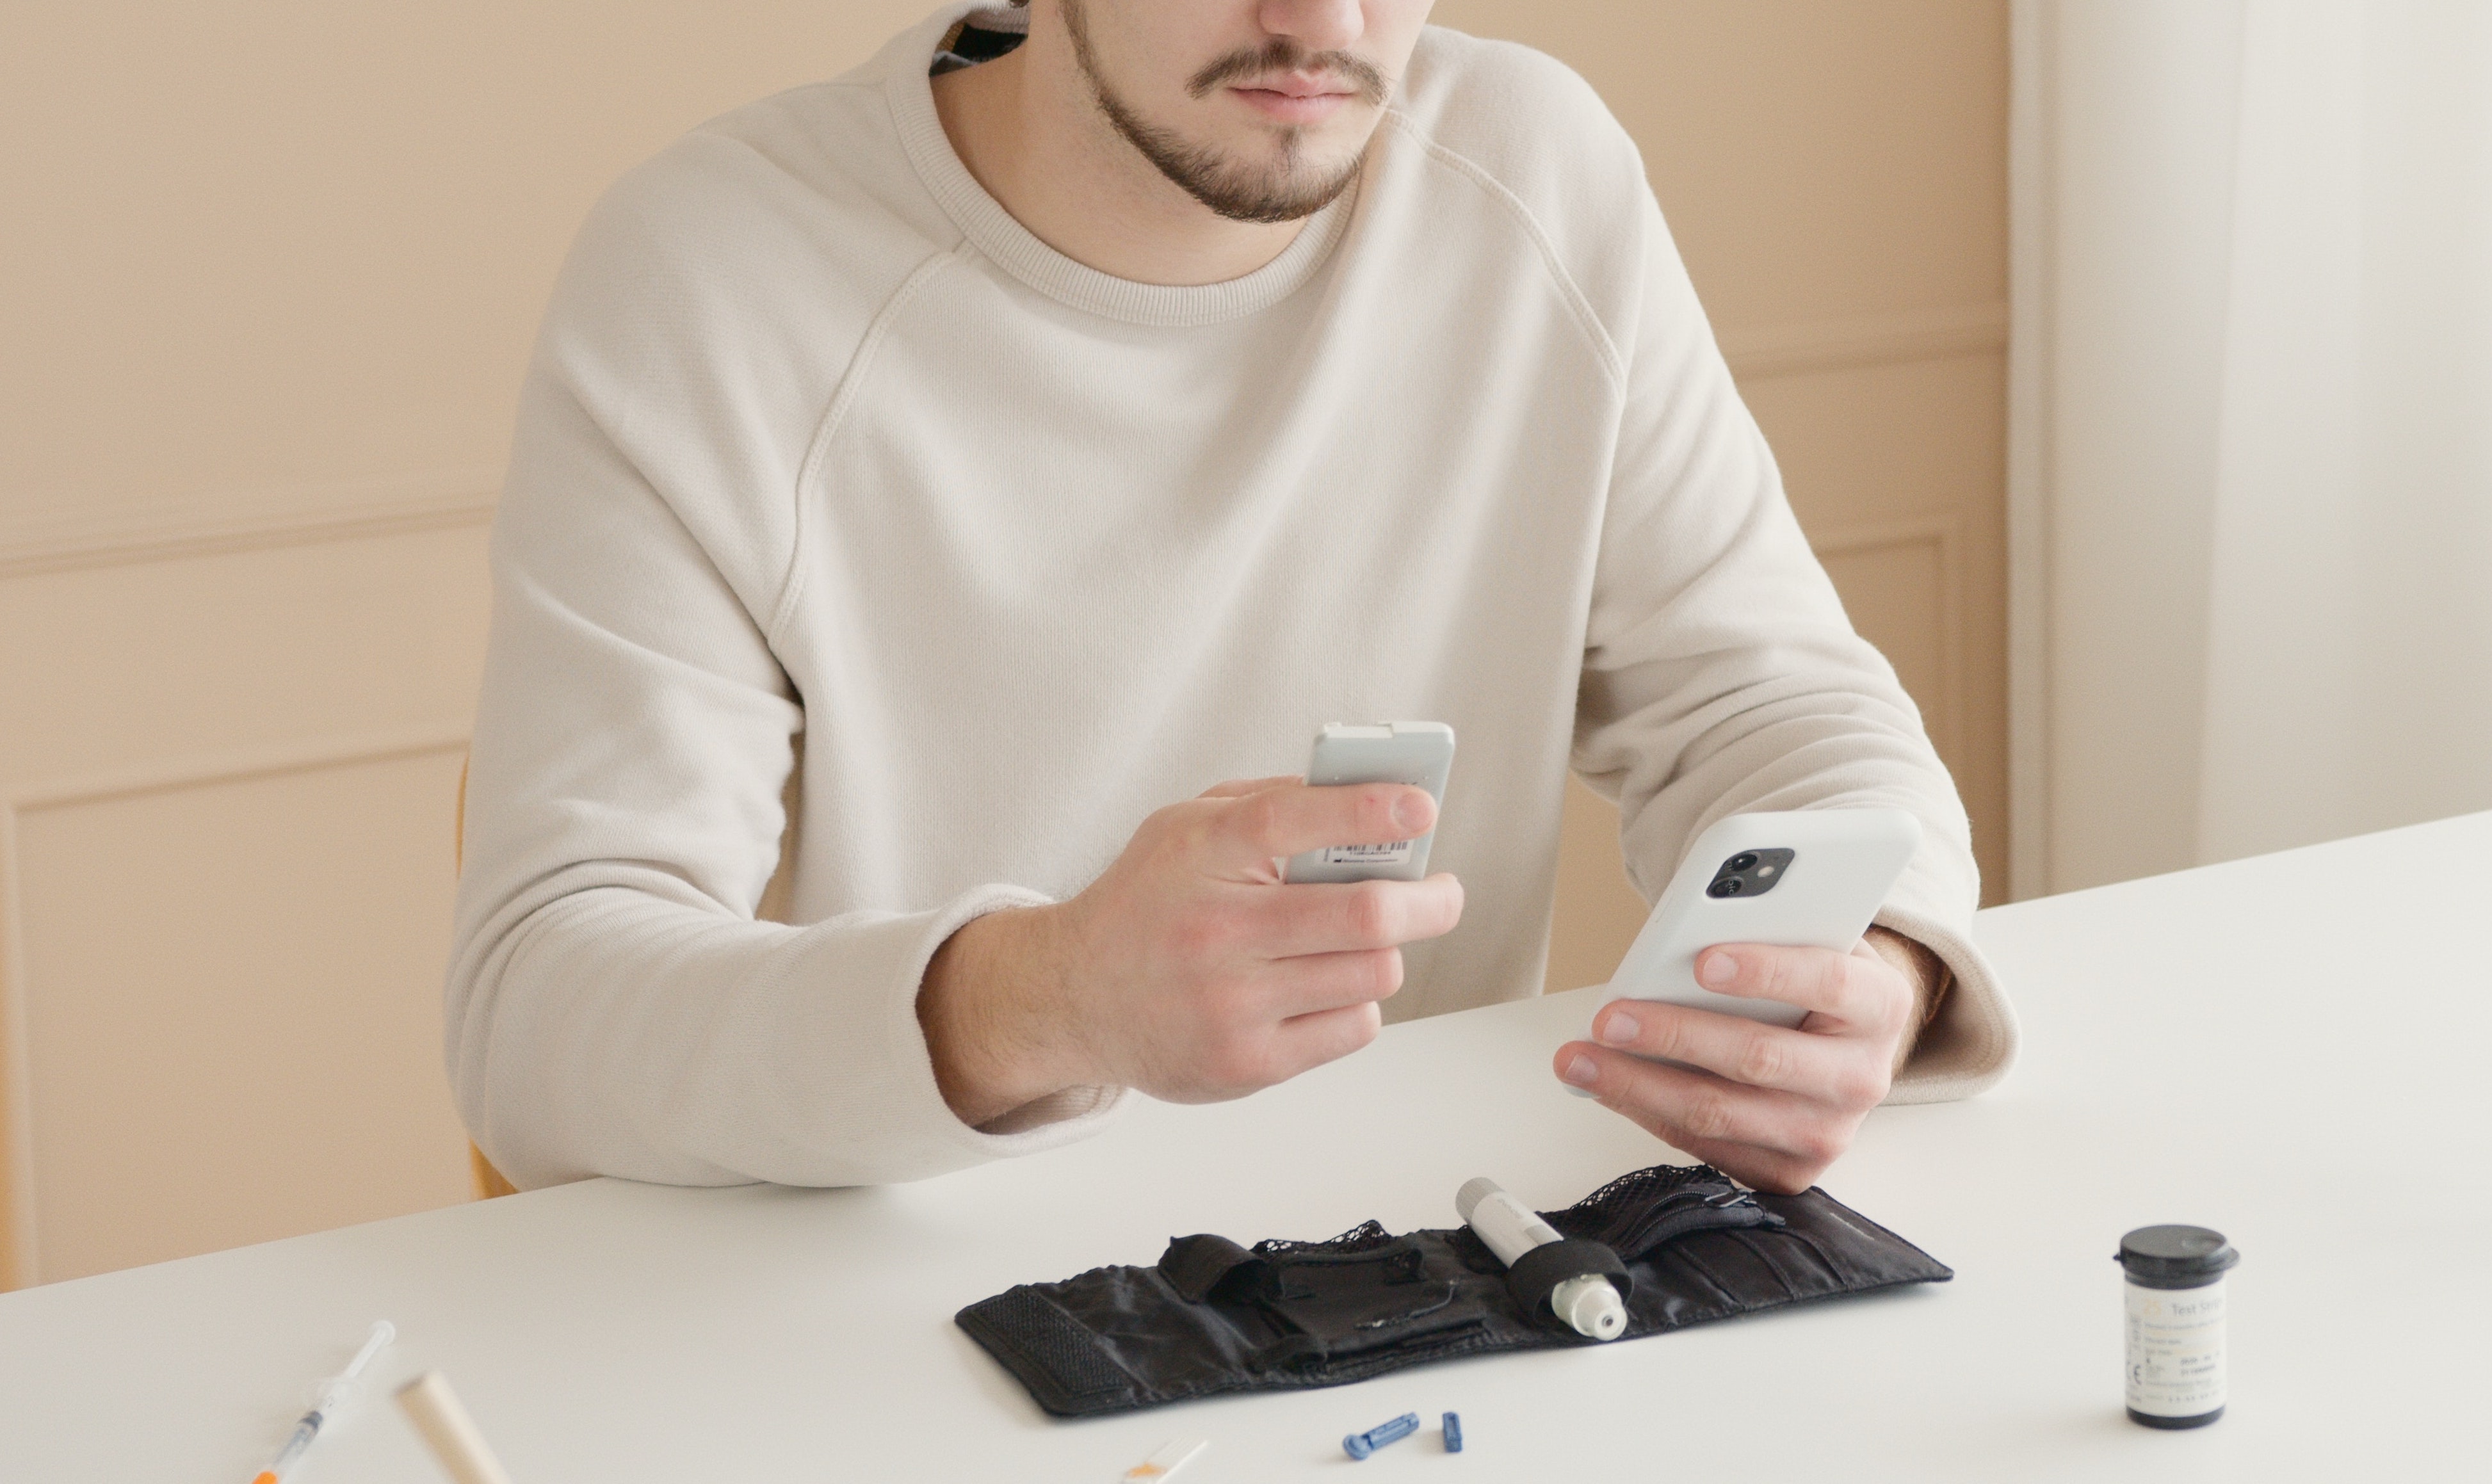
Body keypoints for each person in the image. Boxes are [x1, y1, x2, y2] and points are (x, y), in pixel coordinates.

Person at [447, 0, 2018, 1198]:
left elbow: (1767, 703)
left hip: (1430, 1271)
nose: (1323, 22)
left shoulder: (1532, 169)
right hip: (888, 1308)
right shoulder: (717, 273)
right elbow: (539, 1013)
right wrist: (1044, 998)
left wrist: (1870, 963)